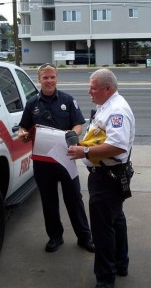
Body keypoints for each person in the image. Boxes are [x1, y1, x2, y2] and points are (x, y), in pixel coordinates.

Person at [67, 68, 135, 288]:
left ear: (107, 88)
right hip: (108, 176)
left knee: (102, 229)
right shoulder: (105, 105)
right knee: (116, 220)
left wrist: (84, 153)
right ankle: (120, 263)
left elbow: (117, 146)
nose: (89, 91)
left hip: (108, 177)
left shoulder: (117, 110)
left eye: (93, 88)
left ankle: (105, 280)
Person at [18, 63, 94, 253]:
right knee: (48, 200)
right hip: (43, 162)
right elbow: (23, 127)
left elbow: (78, 124)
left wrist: (72, 133)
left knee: (74, 199)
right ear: (39, 79)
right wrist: (22, 134)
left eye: (52, 77)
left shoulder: (68, 100)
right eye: (45, 77)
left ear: (57, 79)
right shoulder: (32, 104)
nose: (49, 80)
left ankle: (85, 237)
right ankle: (55, 237)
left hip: (65, 158)